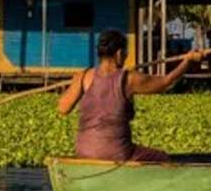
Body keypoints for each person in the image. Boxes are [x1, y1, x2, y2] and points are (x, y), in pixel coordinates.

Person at [57, 29, 202, 162]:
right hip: (116, 153)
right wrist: (187, 61)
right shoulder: (129, 79)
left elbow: (62, 108)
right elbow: (166, 82)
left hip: (84, 152)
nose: (126, 56)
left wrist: (76, 85)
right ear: (119, 53)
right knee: (162, 157)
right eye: (126, 53)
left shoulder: (82, 76)